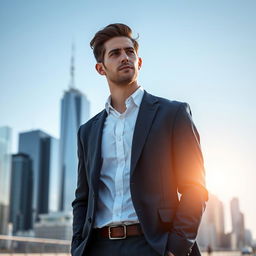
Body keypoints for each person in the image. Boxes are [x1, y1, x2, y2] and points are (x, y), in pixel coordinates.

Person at [71, 23, 208, 256]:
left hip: (154, 245)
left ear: (139, 62)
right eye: (115, 53)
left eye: (130, 51)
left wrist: (176, 247)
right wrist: (77, 247)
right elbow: (82, 198)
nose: (125, 57)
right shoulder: (88, 131)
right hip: (98, 247)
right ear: (100, 68)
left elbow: (195, 187)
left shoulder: (172, 114)